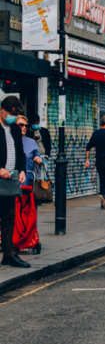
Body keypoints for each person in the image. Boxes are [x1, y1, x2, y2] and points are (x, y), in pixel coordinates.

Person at [0, 96, 28, 267]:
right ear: (2, 110)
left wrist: (22, 170)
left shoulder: (15, 129)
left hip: (10, 181)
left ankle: (9, 254)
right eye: (11, 114)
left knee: (9, 217)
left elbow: (21, 153)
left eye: (15, 115)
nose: (13, 117)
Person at [14, 115, 41, 255]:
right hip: (12, 182)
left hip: (28, 182)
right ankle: (15, 239)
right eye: (21, 125)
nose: (24, 128)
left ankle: (29, 238)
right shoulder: (9, 140)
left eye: (26, 125)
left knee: (29, 212)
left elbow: (39, 158)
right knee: (14, 212)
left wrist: (39, 160)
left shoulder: (31, 143)